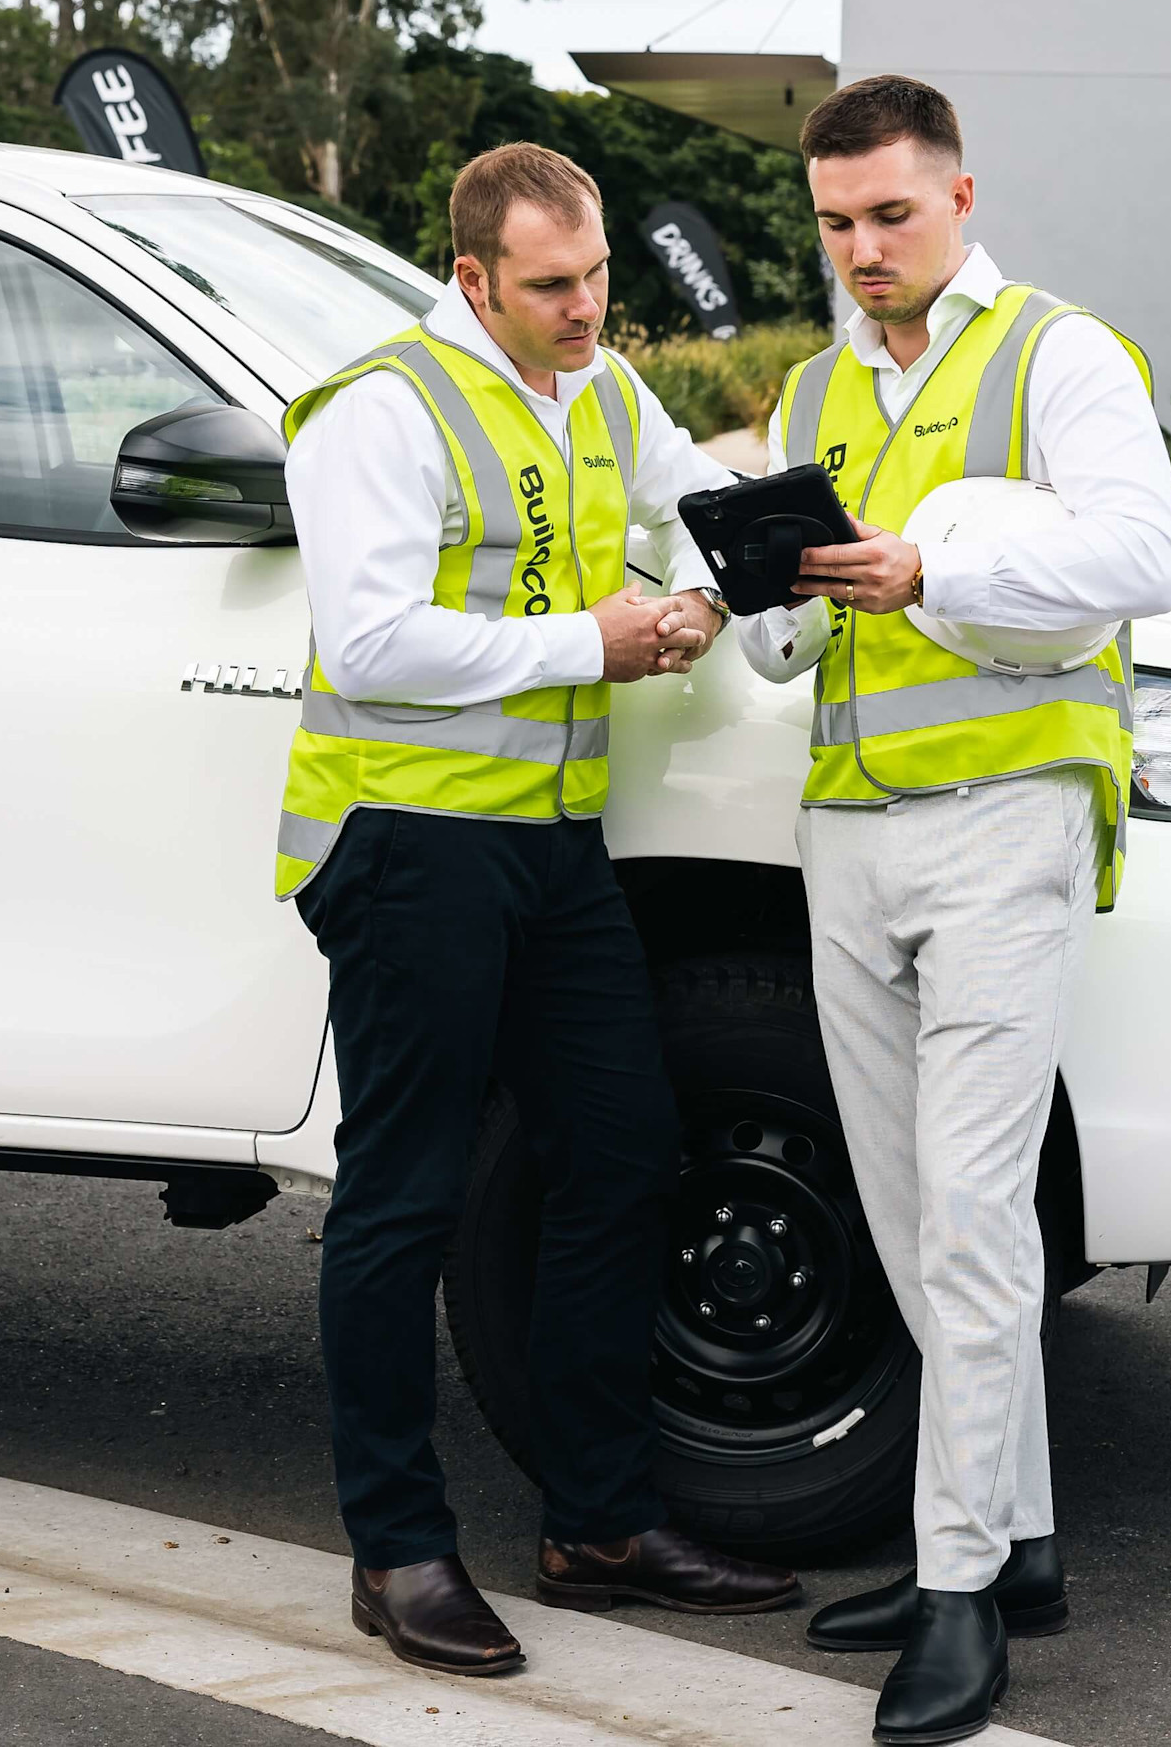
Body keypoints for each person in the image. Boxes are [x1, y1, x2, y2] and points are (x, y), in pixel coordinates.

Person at [276, 141, 800, 1677]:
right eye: (553, 287)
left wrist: (743, 590)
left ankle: (600, 1518)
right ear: (472, 278)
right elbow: (371, 639)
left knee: (623, 1153)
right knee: (405, 1195)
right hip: (408, 842)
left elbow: (704, 504)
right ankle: (397, 1546)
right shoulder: (382, 407)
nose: (588, 312)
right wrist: (600, 637)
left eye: (600, 281)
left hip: (554, 847)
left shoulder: (603, 390)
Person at [732, 76, 1171, 1746]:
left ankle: (955, 1595)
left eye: (891, 215)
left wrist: (935, 573)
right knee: (918, 1212)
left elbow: (1145, 559)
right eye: (838, 221)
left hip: (1007, 823)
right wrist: (755, 588)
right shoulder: (811, 387)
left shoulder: (1060, 352)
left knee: (979, 1218)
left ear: (961, 196)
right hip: (852, 825)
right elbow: (788, 647)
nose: (862, 247)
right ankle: (1025, 1544)